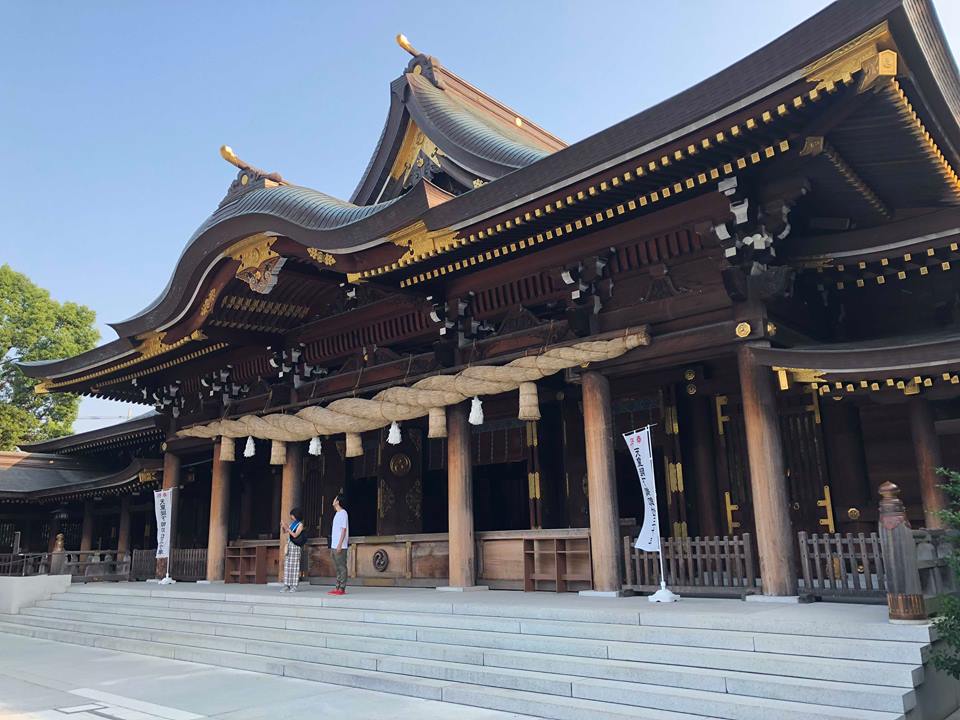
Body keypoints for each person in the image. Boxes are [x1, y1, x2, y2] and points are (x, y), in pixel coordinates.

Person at [280, 507, 305, 593]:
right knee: (287, 566)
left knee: (294, 566)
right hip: (289, 545)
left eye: (292, 515)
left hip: (295, 546)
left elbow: (295, 535)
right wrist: (283, 527)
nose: (291, 516)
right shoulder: (292, 524)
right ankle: (286, 585)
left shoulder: (300, 525)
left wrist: (288, 529)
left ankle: (294, 585)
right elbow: (285, 532)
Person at [328, 494, 349, 596]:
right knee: (337, 567)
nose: (333, 500)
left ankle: (342, 588)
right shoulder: (337, 514)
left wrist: (340, 544)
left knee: (341, 567)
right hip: (334, 544)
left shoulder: (343, 513)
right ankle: (337, 586)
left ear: (338, 501)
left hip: (340, 545)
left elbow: (344, 530)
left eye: (335, 498)